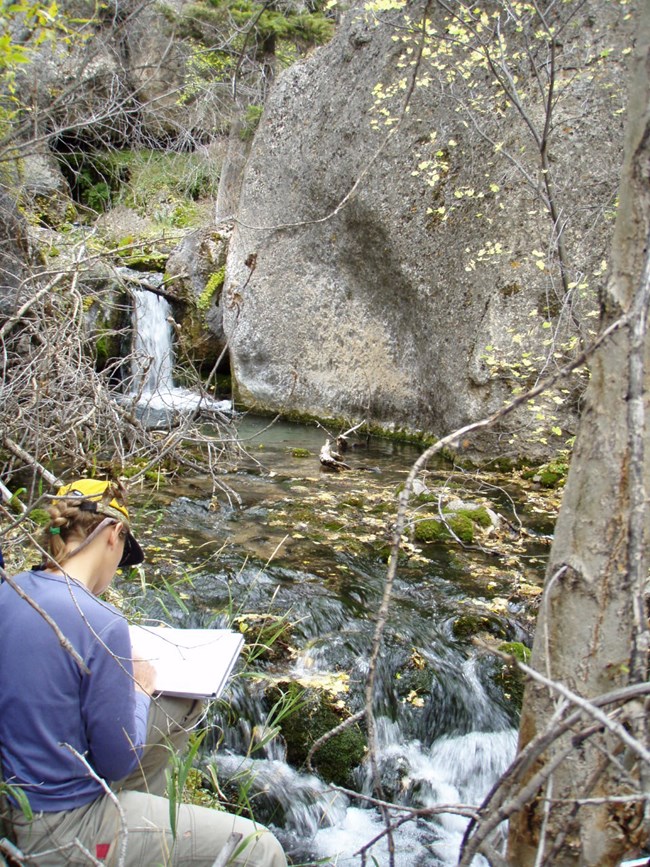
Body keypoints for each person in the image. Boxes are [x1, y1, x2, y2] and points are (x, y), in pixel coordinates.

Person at [0, 478, 287, 867]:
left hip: (13, 802)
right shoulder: (101, 621)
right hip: (63, 828)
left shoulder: (10, 589)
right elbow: (118, 761)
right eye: (122, 556)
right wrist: (137, 688)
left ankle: (146, 830)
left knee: (181, 701)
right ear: (114, 535)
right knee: (257, 845)